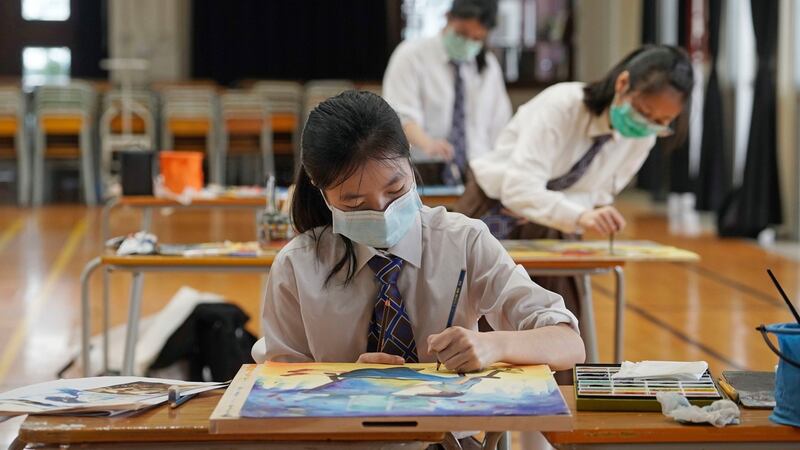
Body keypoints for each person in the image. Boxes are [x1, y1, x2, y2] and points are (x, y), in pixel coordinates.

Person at [251, 91, 584, 378]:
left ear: (410, 160)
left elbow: (568, 343)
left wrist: (492, 344)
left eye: (395, 189)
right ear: (319, 189)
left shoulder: (462, 240)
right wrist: (347, 378)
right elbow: (281, 381)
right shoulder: (298, 265)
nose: (382, 211)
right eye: (354, 203)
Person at [455, 45, 694, 319]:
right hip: (490, 209)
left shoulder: (643, 137)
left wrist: (579, 212)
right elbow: (518, 189)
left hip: (556, 225)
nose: (646, 125)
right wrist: (578, 213)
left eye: (661, 121)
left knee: (557, 324)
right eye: (643, 110)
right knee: (476, 316)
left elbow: (599, 195)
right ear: (623, 83)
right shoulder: (562, 105)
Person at [382, 0, 511, 186]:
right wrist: (428, 144)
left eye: (476, 39)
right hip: (426, 170)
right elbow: (400, 117)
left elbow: (500, 125)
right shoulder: (411, 56)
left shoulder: (488, 66)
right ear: (448, 17)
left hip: (478, 173)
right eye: (462, 34)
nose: (468, 42)